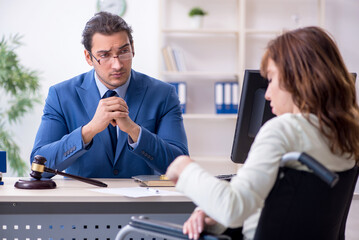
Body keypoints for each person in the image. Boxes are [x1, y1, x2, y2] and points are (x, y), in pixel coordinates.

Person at [166, 26, 359, 240]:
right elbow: (288, 210)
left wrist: (184, 168)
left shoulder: (284, 130)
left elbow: (233, 208)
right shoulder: (347, 135)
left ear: (296, 79)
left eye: (272, 79)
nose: (267, 94)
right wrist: (216, 219)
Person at [31, 12, 188, 178]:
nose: (117, 64)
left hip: (143, 202)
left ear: (133, 48)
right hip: (83, 201)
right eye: (104, 55)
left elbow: (181, 167)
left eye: (124, 51)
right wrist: (89, 130)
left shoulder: (163, 94)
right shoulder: (61, 96)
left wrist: (134, 131)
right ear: (88, 57)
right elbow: (39, 166)